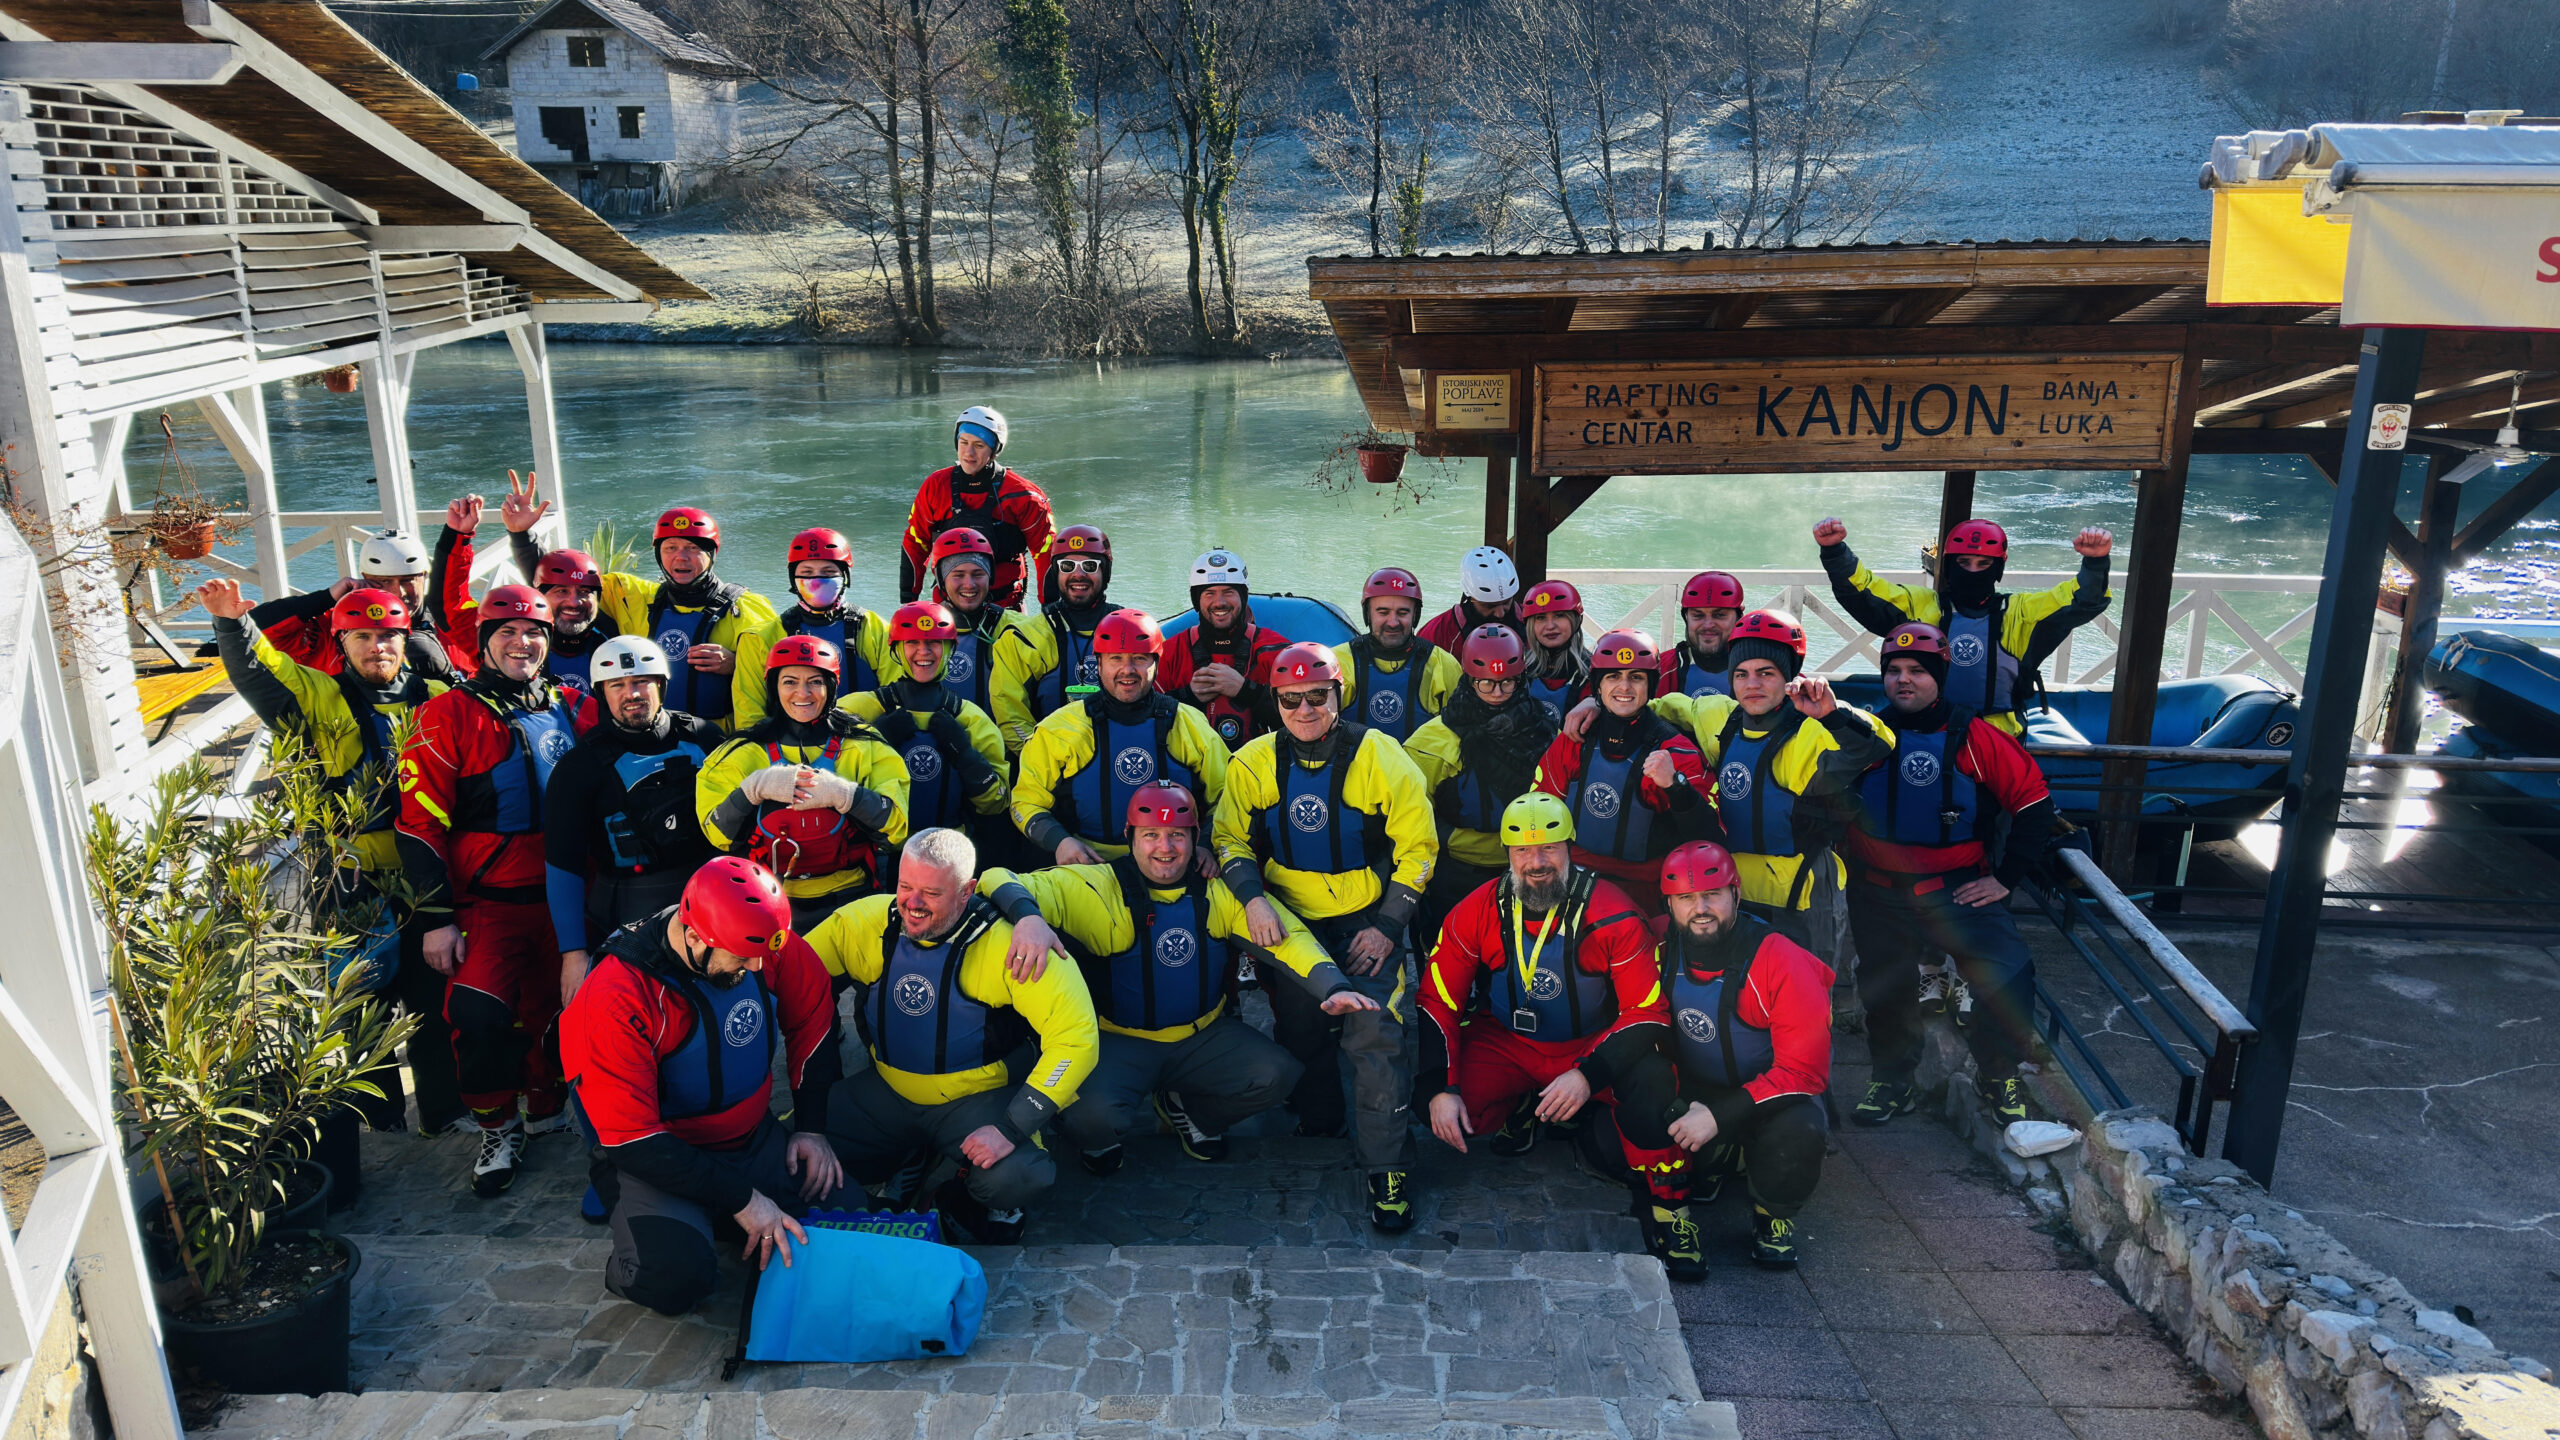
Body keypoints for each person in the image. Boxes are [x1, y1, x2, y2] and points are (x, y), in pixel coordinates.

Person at [996, 781, 1381, 1173]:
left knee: (1277, 1075)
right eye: (1151, 835)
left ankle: (1192, 1114)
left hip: (1202, 1036)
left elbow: (1290, 937)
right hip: (1117, 1039)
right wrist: (1028, 918)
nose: (1165, 847)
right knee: (1090, 1117)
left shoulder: (1218, 889)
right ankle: (1098, 1139)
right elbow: (998, 878)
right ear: (1130, 837)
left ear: (1196, 838)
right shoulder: (1094, 885)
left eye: (1177, 835)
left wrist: (1333, 986)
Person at [198, 577, 462, 1136]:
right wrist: (230, 623)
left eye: (387, 637)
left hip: (429, 874)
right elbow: (261, 671)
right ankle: (383, 1115)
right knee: (364, 1001)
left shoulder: (441, 696)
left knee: (436, 1000)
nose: (377, 648)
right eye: (361, 637)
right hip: (350, 877)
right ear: (341, 643)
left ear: (405, 639)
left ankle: (443, 1110)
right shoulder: (319, 695)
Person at [1210, 643, 1436, 1231]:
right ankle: (1319, 1117)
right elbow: (1229, 839)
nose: (1305, 710)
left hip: (1366, 918)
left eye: (1318, 696)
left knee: (1376, 1033)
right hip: (1290, 920)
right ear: (1275, 703)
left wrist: (1388, 927)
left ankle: (1387, 1165)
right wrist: (1253, 899)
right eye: (1291, 700)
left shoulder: (1381, 756)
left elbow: (1418, 849)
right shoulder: (1254, 761)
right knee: (1301, 1027)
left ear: (1339, 695)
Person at [559, 858, 846, 1316]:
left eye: (762, 954)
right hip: (662, 1157)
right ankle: (641, 1239)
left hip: (751, 1139)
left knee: (847, 1215)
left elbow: (814, 1020)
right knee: (674, 1278)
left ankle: (720, 1216)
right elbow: (633, 1139)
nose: (758, 966)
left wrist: (811, 1128)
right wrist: (745, 1200)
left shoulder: (758, 939)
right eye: (742, 958)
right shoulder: (616, 994)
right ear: (694, 938)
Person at [1419, 795, 1685, 1259]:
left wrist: (1587, 1075)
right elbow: (1437, 999)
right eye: (1523, 850)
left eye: (1549, 848)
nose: (1536, 862)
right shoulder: (1476, 909)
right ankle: (1523, 1102)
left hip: (1588, 1047)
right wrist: (1441, 1088)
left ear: (1569, 848)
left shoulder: (1613, 912)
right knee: (1440, 1109)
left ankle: (1671, 1206)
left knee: (1655, 1089)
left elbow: (1646, 1011)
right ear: (1507, 853)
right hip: (1508, 1043)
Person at [396, 585, 596, 1196]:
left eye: (533, 632)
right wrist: (436, 917)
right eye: (506, 632)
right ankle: (497, 1125)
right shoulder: (445, 715)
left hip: (565, 901)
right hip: (487, 904)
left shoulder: (573, 706)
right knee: (478, 1016)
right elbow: (418, 823)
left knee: (558, 1014)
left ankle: (546, 1107)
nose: (522, 643)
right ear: (483, 642)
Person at [803, 827, 1095, 1243]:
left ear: (966, 892)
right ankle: (905, 1164)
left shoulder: (1014, 945)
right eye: (905, 886)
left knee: (1019, 1176)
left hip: (975, 1100)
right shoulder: (863, 922)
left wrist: (1012, 1128)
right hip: (886, 1091)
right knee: (791, 1147)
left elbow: (1076, 1040)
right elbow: (789, 977)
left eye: (931, 893)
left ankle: (951, 1193)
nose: (913, 903)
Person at [1588, 841, 1835, 1279]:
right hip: (1688, 1091)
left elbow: (1805, 1072)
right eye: (1685, 898)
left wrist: (1720, 1116)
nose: (1700, 909)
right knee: (1612, 1134)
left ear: (1736, 894)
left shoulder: (1780, 958)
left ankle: (1771, 1213)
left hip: (1764, 1096)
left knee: (1803, 1130)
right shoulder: (1655, 940)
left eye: (1712, 895)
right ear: (1669, 903)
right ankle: (1673, 1210)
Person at [1844, 623, 2056, 1128]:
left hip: (1958, 892)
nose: (1903, 680)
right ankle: (1893, 1080)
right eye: (1894, 670)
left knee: (2009, 975)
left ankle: (1997, 1073)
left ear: (1939, 677)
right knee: (1885, 991)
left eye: (1918, 671)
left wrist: (2006, 878)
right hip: (1879, 892)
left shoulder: (1976, 737)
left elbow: (2034, 805)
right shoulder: (1865, 735)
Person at [1573, 611, 1893, 947]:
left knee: (1810, 976)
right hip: (1728, 887)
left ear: (1789, 676)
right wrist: (1594, 702)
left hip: (1799, 896)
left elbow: (1877, 744)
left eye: (1766, 673)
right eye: (1741, 674)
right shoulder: (1720, 716)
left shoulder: (1814, 731)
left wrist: (1834, 714)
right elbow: (1650, 703)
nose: (1752, 684)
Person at [542, 637, 724, 1005]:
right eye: (618, 685)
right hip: (627, 915)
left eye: (642, 681)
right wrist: (573, 954)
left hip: (708, 902)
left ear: (661, 684)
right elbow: (563, 866)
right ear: (602, 693)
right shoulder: (580, 766)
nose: (632, 694)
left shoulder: (705, 737)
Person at [1815, 515, 2114, 734]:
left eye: (1984, 564)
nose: (1973, 571)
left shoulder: (2020, 613)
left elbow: (2081, 600)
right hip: (1925, 731)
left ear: (1998, 567)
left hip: (1998, 740)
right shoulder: (1921, 605)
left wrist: (2095, 563)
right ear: (1949, 565)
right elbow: (1865, 591)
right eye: (1964, 563)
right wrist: (1835, 551)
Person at [697, 636, 911, 933]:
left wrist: (844, 794)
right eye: (789, 682)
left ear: (831, 688)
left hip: (850, 897)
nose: (803, 693)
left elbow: (895, 827)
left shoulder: (864, 746)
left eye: (815, 682)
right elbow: (718, 834)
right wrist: (753, 789)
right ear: (774, 687)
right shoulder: (741, 753)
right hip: (767, 899)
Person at [1012, 608, 1229, 865]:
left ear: (1156, 663)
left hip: (1172, 862)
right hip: (1090, 864)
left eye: (1139, 658)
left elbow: (1228, 796)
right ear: (1099, 664)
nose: (1128, 670)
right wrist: (1060, 842)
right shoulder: (1060, 729)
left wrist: (1205, 845)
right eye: (1115, 658)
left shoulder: (1188, 723)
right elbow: (1025, 803)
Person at [558, 498, 782, 732]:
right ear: (659, 554)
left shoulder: (746, 609)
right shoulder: (633, 597)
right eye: (670, 548)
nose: (681, 557)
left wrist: (738, 663)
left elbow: (783, 674)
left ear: (711, 553)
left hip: (719, 737)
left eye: (692, 548)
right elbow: (559, 583)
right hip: (654, 736)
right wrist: (530, 539)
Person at [1533, 629, 1715, 914]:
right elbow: (1537, 811)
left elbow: (1712, 838)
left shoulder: (1676, 752)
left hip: (1644, 895)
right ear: (1598, 686)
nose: (1625, 687)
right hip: (1573, 882)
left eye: (1637, 677)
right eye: (1613, 676)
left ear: (1651, 685)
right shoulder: (1574, 739)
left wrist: (1676, 787)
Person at [1405, 625, 1561, 941]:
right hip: (1455, 872)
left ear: (1521, 680)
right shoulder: (1430, 742)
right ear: (1468, 680)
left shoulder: (1546, 732)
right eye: (1486, 683)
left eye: (1507, 682)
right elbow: (1410, 817)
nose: (1497, 693)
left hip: (1526, 871)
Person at [840, 602, 1010, 846]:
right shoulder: (855, 709)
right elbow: (828, 782)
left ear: (951, 648)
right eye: (912, 642)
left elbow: (996, 802)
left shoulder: (972, 719)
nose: (924, 651)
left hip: (947, 849)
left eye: (934, 642)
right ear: (896, 650)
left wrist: (965, 755)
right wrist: (875, 741)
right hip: (878, 850)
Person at [438, 482, 616, 701]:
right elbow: (448, 606)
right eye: (561, 591)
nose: (573, 602)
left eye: (585, 592)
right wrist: (457, 536)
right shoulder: (502, 640)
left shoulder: (615, 635)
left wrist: (521, 536)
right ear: (539, 596)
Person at [732, 527, 896, 732]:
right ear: (793, 579)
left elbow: (897, 692)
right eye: (807, 573)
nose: (817, 581)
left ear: (845, 576)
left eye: (828, 572)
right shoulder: (759, 638)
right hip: (788, 743)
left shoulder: (875, 628)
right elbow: (749, 716)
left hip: (860, 740)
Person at [250, 527, 464, 683]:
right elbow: (253, 628)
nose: (397, 592)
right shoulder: (332, 629)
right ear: (364, 578)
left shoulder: (448, 621)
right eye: (384, 581)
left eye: (408, 580)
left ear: (424, 576)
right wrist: (327, 597)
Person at [899, 405, 1056, 610]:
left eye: (979, 445)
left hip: (1006, 606)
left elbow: (1046, 552)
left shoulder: (1024, 496)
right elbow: (916, 542)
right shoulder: (936, 486)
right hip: (947, 608)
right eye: (963, 442)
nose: (969, 452)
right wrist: (908, 602)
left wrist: (1051, 607)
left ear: (995, 450)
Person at [990, 523, 1117, 756]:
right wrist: (1045, 761)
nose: (1078, 575)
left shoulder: (1130, 627)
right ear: (1056, 572)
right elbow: (1012, 717)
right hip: (1048, 763)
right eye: (1067, 566)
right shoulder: (1023, 638)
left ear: (1105, 572)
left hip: (1114, 757)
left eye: (1090, 566)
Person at [1156, 548, 1288, 749]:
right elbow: (1138, 714)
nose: (1219, 602)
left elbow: (1306, 717)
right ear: (1196, 601)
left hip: (1258, 764)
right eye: (1209, 593)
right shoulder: (1170, 653)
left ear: (1243, 597)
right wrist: (1188, 696)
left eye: (1228, 592)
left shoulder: (1276, 650)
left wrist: (1246, 691)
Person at [922, 527, 1038, 718]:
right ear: (941, 579)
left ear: (990, 577)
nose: (969, 584)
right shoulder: (918, 630)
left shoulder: (1019, 628)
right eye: (958, 574)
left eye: (978, 574)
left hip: (1000, 736)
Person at [1334, 566, 1458, 744]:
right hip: (1356, 763)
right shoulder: (1337, 661)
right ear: (1367, 614)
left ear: (1415, 615)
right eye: (1383, 612)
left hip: (1416, 763)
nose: (1393, 622)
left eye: (1403, 612)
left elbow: (1461, 728)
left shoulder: (1442, 664)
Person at [1418, 545, 1520, 651]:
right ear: (1469, 597)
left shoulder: (1529, 624)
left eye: (1506, 603)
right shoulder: (1436, 634)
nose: (1500, 614)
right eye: (1489, 606)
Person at [1661, 572, 1745, 700]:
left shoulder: (1758, 669)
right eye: (1698, 615)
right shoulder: (1662, 669)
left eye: (1720, 615)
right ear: (1686, 617)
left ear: (1739, 617)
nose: (1708, 625)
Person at [1517, 579, 1591, 723]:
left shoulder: (1593, 673)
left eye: (1559, 615)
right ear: (1531, 625)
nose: (1550, 626)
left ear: (1576, 620)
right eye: (1540, 618)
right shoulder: (1519, 668)